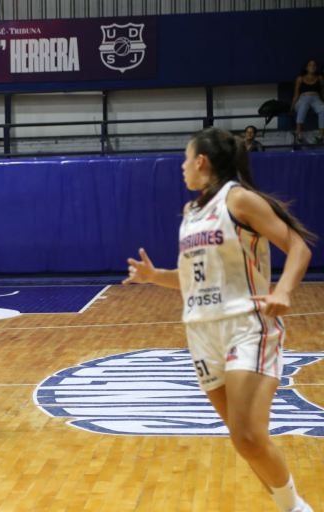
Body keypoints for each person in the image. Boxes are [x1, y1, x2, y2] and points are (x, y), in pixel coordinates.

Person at [123, 127, 315, 512]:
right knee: (242, 440)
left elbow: (298, 245)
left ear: (201, 161)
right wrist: (154, 277)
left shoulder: (239, 200)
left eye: (185, 158)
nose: (181, 167)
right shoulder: (192, 213)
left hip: (245, 324)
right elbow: (192, 278)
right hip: (200, 330)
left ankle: (297, 508)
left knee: (248, 436)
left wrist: (283, 290)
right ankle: (289, 506)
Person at [291, 59, 324, 144]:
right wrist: (292, 106)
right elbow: (296, 94)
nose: (312, 67)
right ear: (306, 67)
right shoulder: (300, 78)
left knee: (323, 109)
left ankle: (321, 135)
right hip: (303, 98)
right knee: (304, 105)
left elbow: (322, 92)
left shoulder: (320, 78)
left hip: (316, 98)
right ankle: (298, 133)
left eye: (314, 65)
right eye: (310, 65)